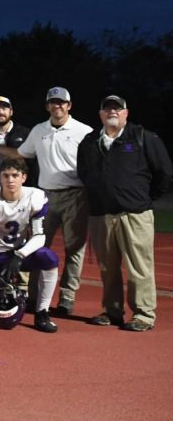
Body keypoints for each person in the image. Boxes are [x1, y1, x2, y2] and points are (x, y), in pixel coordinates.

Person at [0, 87, 92, 316]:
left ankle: (67, 298)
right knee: (36, 245)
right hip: (47, 194)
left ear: (69, 105)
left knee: (74, 249)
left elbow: (96, 163)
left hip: (75, 194)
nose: (57, 106)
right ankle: (31, 296)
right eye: (53, 102)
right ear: (47, 106)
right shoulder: (39, 130)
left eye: (61, 102)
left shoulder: (84, 131)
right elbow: (20, 154)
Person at [77, 95, 172, 331]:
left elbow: (164, 172)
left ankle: (143, 314)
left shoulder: (142, 137)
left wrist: (144, 199)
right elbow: (83, 173)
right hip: (101, 214)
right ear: (100, 114)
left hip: (135, 214)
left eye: (117, 109)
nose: (112, 112)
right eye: (107, 108)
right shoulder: (89, 142)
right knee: (107, 267)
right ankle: (112, 310)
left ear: (126, 113)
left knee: (139, 266)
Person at [0, 158, 59, 333]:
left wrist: (19, 255)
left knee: (49, 258)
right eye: (6, 175)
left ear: (24, 178)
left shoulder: (34, 196)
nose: (10, 180)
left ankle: (42, 311)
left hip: (19, 253)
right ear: (0, 177)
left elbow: (39, 236)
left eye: (15, 175)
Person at [0, 96, 36, 187]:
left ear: (11, 112)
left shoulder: (25, 133)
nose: (0, 112)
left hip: (20, 189)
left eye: (4, 109)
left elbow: (33, 163)